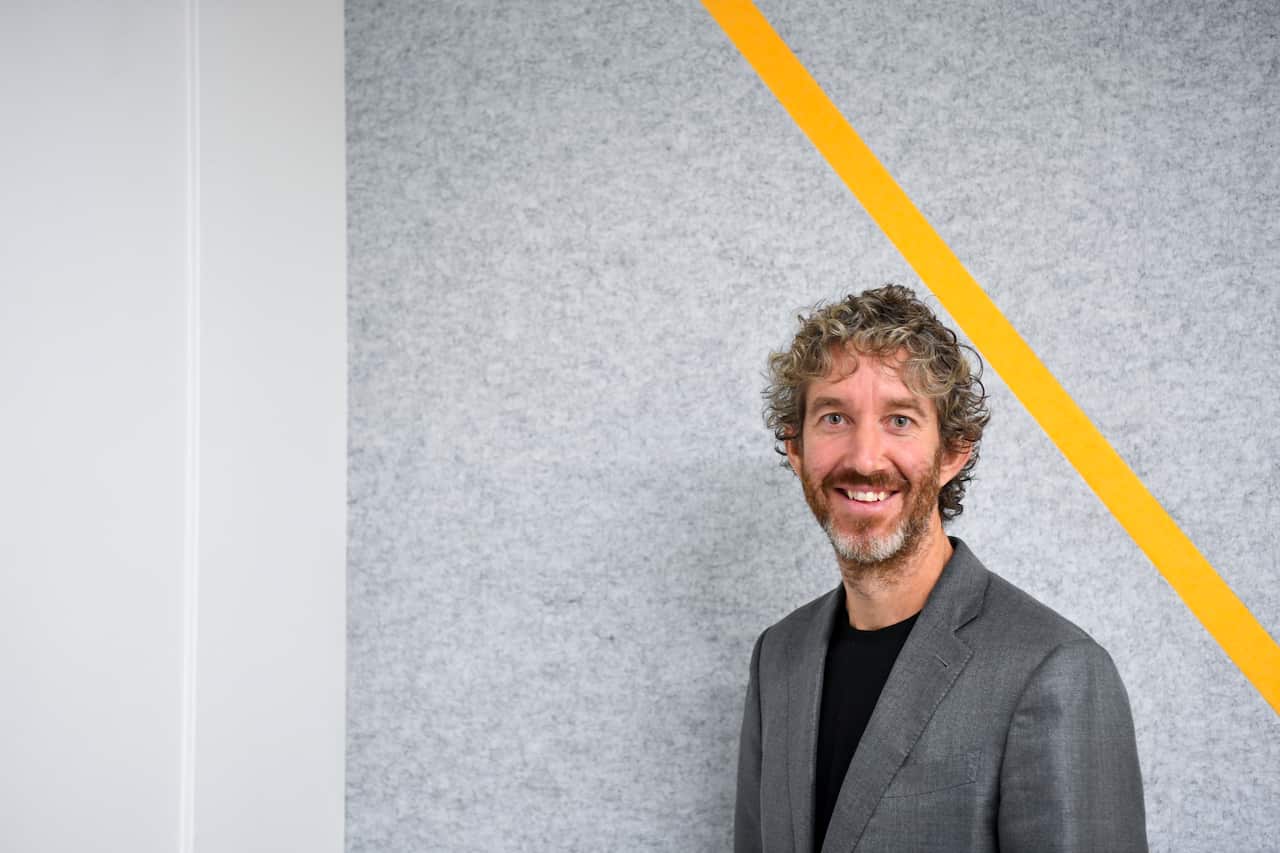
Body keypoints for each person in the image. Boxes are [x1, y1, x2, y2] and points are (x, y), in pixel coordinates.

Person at [735, 285, 1147, 853]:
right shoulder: (778, 655)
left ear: (953, 451)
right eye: (834, 417)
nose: (864, 458)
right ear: (797, 447)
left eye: (900, 420)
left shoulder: (1056, 669)